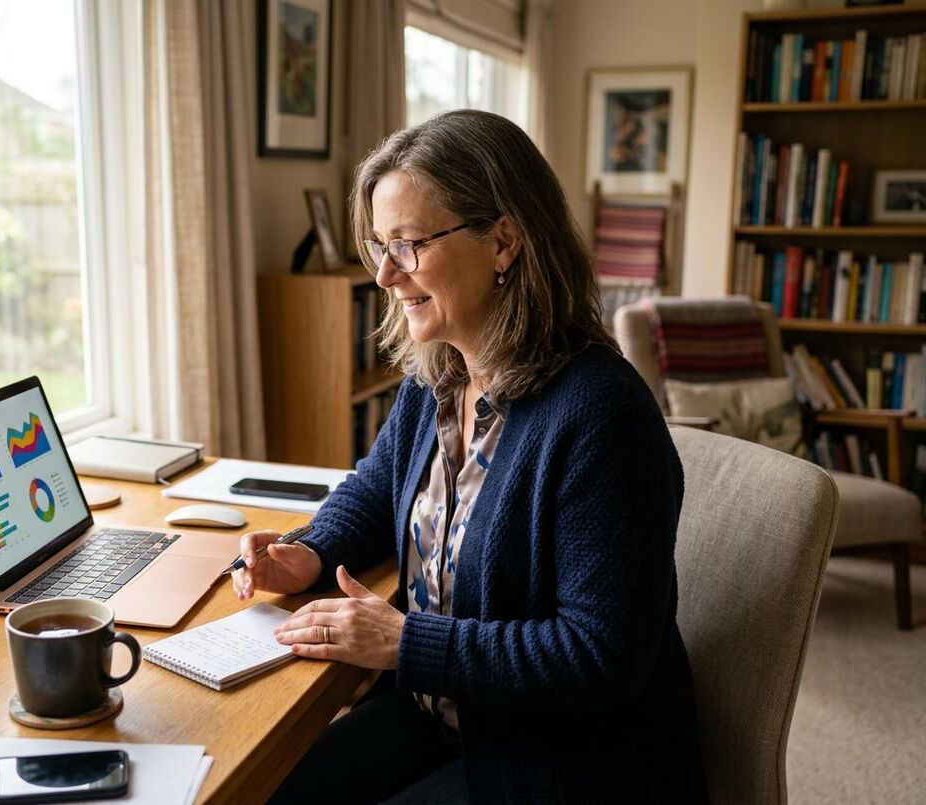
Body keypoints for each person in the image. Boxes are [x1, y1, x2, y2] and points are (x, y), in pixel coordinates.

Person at [233, 109, 706, 803]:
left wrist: (405, 642)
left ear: (504, 242)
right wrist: (308, 549)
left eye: (409, 244)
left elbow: (601, 656)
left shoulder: (603, 414)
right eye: (378, 247)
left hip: (563, 758)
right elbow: (376, 486)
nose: (387, 276)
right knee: (264, 791)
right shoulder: (438, 375)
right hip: (442, 712)